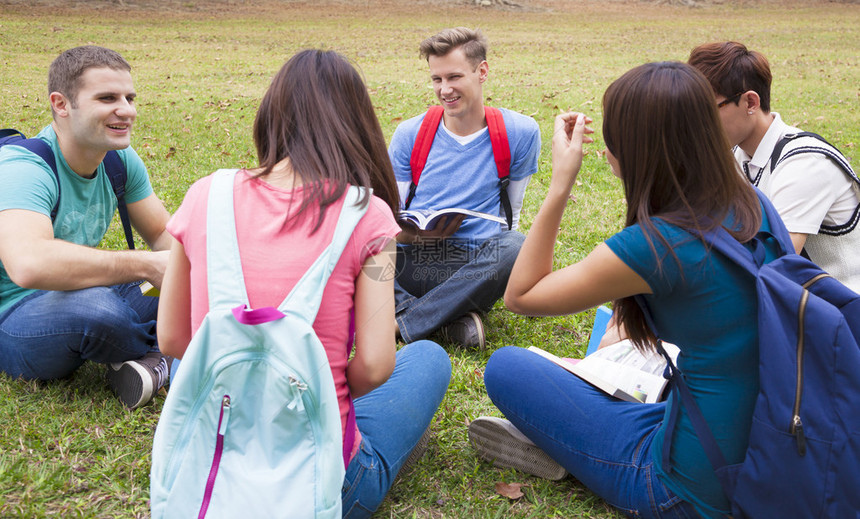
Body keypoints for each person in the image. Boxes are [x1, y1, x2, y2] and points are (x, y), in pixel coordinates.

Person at [469, 62, 779, 519]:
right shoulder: (752, 202)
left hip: (687, 490)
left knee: (507, 367)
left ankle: (567, 451)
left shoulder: (655, 247)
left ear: (626, 151)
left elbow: (522, 295)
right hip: (766, 449)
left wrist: (560, 183)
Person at [156, 49, 451, 518]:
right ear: (359, 124)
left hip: (206, 483)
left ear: (270, 116)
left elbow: (173, 339)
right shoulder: (371, 217)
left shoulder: (203, 195)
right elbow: (375, 366)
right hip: (320, 489)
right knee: (429, 358)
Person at [0, 45, 172, 409]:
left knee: (195, 280)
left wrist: (190, 272)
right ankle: (167, 356)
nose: (127, 110)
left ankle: (151, 360)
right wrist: (146, 265)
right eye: (108, 98)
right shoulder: (23, 168)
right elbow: (29, 264)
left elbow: (161, 235)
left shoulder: (119, 160)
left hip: (85, 290)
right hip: (14, 318)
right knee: (98, 311)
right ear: (61, 104)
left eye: (129, 97)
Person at [387, 27, 541, 349]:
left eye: (454, 77)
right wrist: (417, 235)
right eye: (436, 79)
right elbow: (386, 226)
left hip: (473, 266)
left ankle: (405, 321)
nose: (445, 90)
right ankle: (451, 322)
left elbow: (510, 217)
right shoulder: (409, 135)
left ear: (481, 71)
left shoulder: (520, 133)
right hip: (415, 258)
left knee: (515, 246)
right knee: (360, 251)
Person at [689, 41, 859, 292]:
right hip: (794, 309)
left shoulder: (805, 164)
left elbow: (773, 267)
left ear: (750, 103)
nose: (697, 124)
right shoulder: (738, 155)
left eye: (706, 111)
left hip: (842, 317)